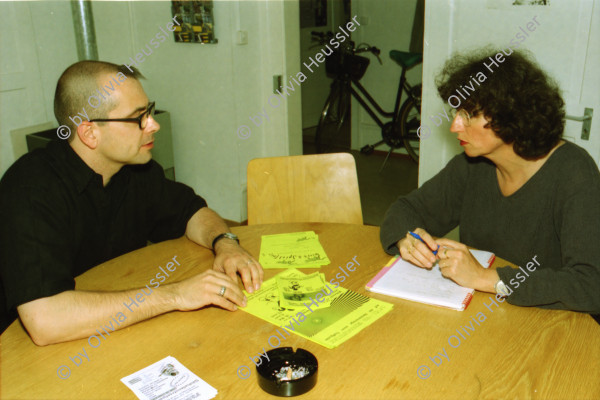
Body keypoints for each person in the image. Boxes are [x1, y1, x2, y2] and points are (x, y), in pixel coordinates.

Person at [0, 61, 264, 343]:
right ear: (89, 133)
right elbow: (45, 321)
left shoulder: (134, 168)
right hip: (28, 351)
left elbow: (190, 211)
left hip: (113, 327)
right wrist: (176, 294)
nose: (154, 124)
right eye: (138, 117)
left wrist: (224, 242)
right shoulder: (30, 190)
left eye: (149, 111)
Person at [380, 48, 600, 316]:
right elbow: (406, 210)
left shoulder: (574, 173)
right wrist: (408, 240)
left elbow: (590, 285)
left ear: (510, 115)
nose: (454, 126)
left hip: (550, 325)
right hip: (485, 314)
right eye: (456, 112)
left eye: (468, 115)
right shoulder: (473, 164)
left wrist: (486, 278)